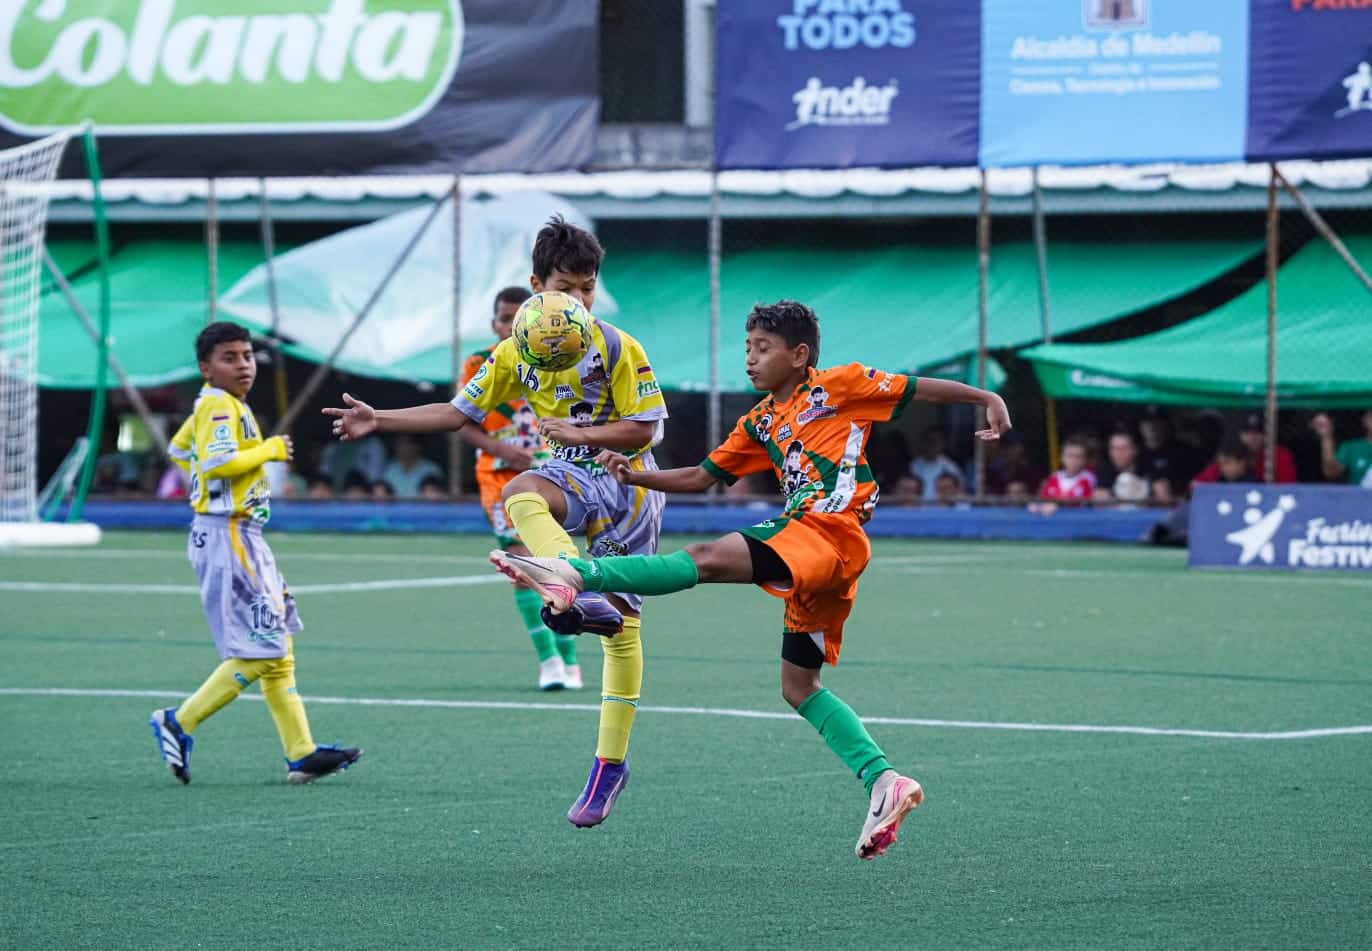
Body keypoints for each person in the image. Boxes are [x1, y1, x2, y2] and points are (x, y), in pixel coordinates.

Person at [490, 300, 1012, 860]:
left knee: (707, 557)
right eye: (746, 348)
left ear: (800, 354)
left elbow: (918, 390)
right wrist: (635, 472)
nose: (751, 358)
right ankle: (884, 781)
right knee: (799, 688)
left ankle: (577, 571)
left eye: (763, 349)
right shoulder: (760, 420)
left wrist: (987, 398)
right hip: (821, 558)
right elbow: (699, 476)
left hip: (827, 530)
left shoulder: (840, 386)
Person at [324, 216, 668, 828]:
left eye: (588, 288)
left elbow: (643, 428)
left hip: (629, 481)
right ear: (537, 286)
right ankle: (566, 577)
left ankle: (609, 765)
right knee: (519, 490)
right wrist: (381, 418)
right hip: (569, 473)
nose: (578, 300)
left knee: (623, 631)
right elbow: (458, 414)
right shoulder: (513, 351)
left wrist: (585, 431)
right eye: (566, 285)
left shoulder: (616, 345)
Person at [151, 321, 360, 785]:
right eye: (230, 358)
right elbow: (217, 461)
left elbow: (180, 448)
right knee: (262, 647)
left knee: (278, 644)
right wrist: (265, 450)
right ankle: (178, 721)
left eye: (247, 356)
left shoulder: (215, 403)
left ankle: (301, 752)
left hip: (239, 535)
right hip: (229, 536)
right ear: (206, 368)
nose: (243, 365)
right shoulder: (221, 407)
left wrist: (206, 487)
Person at [457, 285, 580, 691]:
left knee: (557, 560)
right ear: (494, 323)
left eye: (518, 317)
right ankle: (548, 660)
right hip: (497, 475)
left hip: (551, 470)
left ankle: (570, 658)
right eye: (505, 318)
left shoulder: (554, 357)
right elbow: (461, 420)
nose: (511, 325)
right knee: (519, 562)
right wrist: (500, 449)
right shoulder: (479, 363)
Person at [1194, 414, 1296, 485]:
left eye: (1258, 433)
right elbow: (1198, 483)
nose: (1253, 438)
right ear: (1241, 435)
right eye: (1248, 433)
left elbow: (1288, 487)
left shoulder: (1279, 455)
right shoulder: (1232, 452)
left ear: (1266, 435)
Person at [1312, 411, 1372, 487]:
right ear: (1364, 420)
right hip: (1357, 498)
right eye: (1371, 415)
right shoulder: (1351, 447)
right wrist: (1326, 436)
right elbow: (1331, 472)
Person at [380, 434, 443, 498]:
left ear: (417, 446)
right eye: (399, 444)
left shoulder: (431, 469)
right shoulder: (389, 469)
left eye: (405, 444)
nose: (401, 448)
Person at [1093, 431, 1150, 503]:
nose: (1119, 453)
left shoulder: (1148, 469)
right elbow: (1100, 499)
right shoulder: (1104, 471)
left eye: (1124, 448)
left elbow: (1161, 500)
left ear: (1135, 450)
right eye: (1114, 448)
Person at [908, 427, 962, 502]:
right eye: (928, 441)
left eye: (934, 442)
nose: (931, 445)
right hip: (919, 508)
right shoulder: (914, 464)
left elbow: (959, 493)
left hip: (942, 508)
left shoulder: (950, 467)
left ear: (942, 444)